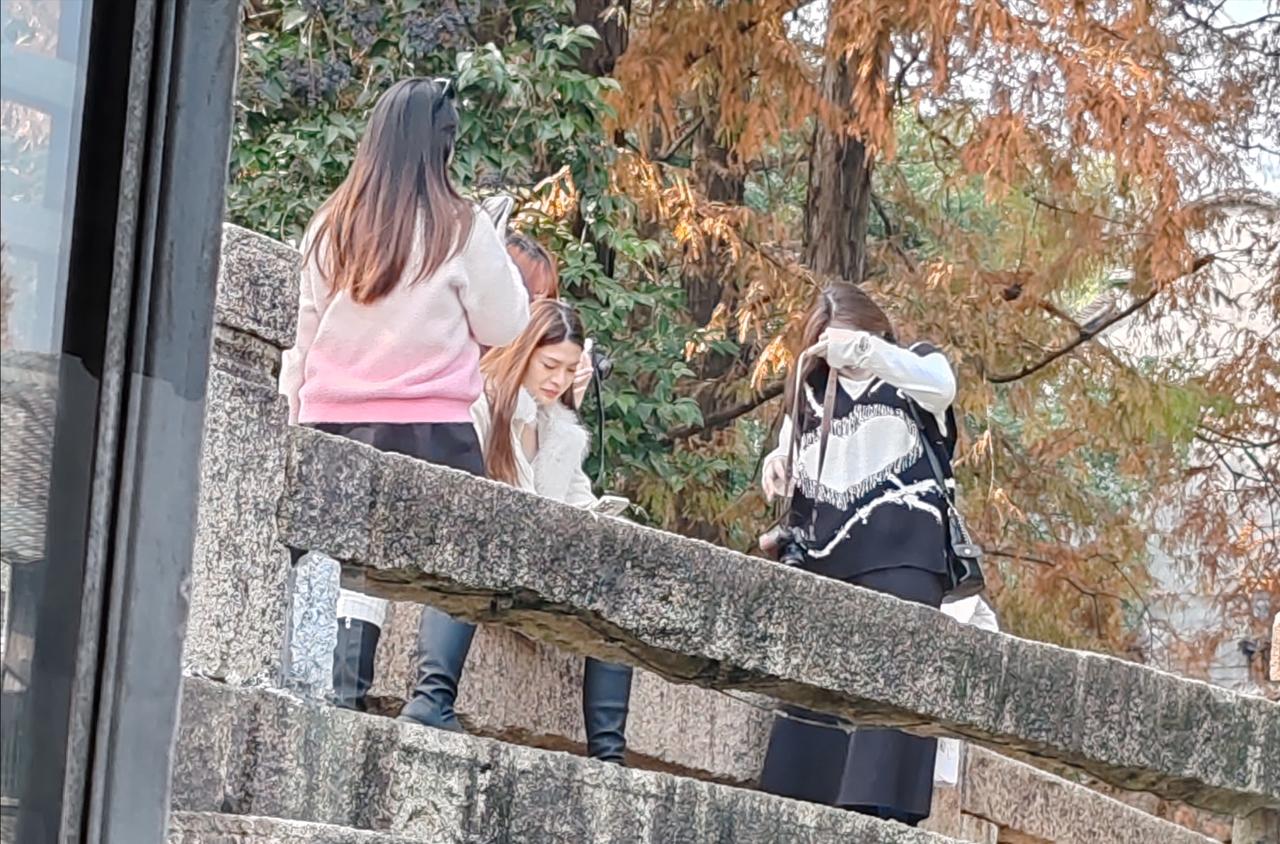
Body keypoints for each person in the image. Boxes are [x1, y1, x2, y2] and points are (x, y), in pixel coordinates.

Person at [278, 77, 530, 713]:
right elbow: (507, 324)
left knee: (335, 562)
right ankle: (431, 698)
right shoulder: (461, 226)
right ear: (445, 146)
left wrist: (292, 421)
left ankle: (335, 690)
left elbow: (300, 339)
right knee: (461, 558)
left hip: (330, 425)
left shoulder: (330, 225)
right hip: (432, 430)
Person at [756, 283, 958, 826]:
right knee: (812, 709)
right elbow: (791, 443)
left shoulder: (913, 367)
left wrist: (868, 351)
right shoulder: (813, 388)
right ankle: (796, 817)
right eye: (829, 344)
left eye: (847, 341)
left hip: (903, 552)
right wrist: (777, 463)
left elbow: (942, 387)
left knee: (890, 707)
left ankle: (884, 818)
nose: (841, 356)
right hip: (825, 559)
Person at [404, 299, 633, 763]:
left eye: (569, 370)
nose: (559, 380)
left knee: (619, 579)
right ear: (523, 352)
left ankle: (609, 754)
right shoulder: (477, 401)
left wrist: (608, 522)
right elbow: (453, 491)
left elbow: (579, 502)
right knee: (468, 543)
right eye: (549, 365)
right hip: (477, 557)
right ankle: (430, 700)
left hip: (537, 571)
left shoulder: (562, 430)